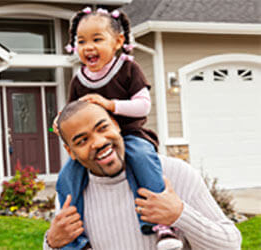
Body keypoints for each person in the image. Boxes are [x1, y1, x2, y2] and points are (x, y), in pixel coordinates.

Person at [53, 7, 177, 249]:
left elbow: (143, 106)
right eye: (81, 41)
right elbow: (72, 111)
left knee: (142, 157)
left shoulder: (128, 69)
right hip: (93, 144)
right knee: (66, 176)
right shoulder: (79, 79)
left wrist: (110, 105)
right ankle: (76, 241)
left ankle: (161, 225)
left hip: (129, 135)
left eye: (97, 39)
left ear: (118, 41)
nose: (88, 47)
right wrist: (59, 123)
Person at [44, 101, 242, 250]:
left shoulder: (175, 173)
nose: (98, 142)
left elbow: (231, 244)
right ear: (70, 152)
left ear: (115, 124)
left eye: (102, 128)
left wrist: (180, 214)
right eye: (82, 140)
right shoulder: (71, 194)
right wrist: (51, 243)